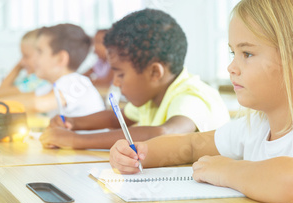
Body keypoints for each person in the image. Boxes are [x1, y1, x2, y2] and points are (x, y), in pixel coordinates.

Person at [109, 0, 293, 203]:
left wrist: (227, 170)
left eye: (247, 53)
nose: (231, 67)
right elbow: (190, 145)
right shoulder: (256, 127)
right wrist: (140, 153)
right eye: (232, 52)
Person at [40, 9, 229, 150]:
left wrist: (76, 141)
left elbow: (164, 134)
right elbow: (117, 117)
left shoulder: (191, 97)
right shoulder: (153, 97)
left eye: (120, 74)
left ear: (155, 73)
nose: (116, 82)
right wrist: (72, 122)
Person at [22, 23, 105, 117]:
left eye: (40, 51)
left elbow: (37, 105)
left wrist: (3, 105)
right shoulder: (51, 87)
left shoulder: (76, 82)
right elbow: (26, 98)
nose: (34, 58)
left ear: (61, 59)